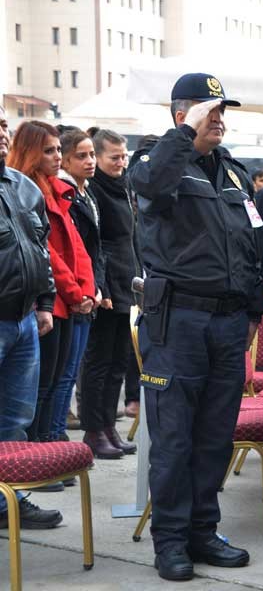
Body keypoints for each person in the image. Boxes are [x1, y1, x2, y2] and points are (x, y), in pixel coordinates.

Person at [128, 73, 263, 581]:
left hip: (227, 322)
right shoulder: (154, 160)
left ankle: (203, 531)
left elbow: (250, 244)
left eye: (223, 112)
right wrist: (185, 134)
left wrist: (252, 310)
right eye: (210, 111)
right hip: (177, 321)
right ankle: (170, 541)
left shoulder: (232, 172)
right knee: (175, 439)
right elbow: (149, 185)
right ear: (181, 114)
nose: (220, 121)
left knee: (214, 437)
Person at [8, 121, 96, 444]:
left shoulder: (58, 192)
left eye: (59, 149)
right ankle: (40, 447)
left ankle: (48, 443)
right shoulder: (26, 192)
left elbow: (77, 247)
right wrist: (76, 292)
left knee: (59, 378)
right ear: (30, 152)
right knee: (41, 386)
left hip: (65, 300)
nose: (57, 156)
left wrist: (86, 289)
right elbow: (46, 252)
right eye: (49, 150)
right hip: (49, 300)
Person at [0, 105, 63, 528]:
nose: (2, 134)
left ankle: (9, 501)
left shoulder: (22, 187)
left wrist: (44, 303)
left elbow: (39, 249)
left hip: (23, 320)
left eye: (2, 126)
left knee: (15, 419)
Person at [79, 128, 140, 459]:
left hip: (127, 279)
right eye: (113, 157)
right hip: (106, 284)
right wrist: (99, 285)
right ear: (99, 158)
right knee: (99, 361)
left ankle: (107, 426)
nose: (120, 162)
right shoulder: (95, 192)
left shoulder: (124, 185)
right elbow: (97, 245)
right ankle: (93, 429)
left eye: (123, 156)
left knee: (120, 360)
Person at [53, 130, 104, 454]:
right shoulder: (64, 193)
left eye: (91, 155)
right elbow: (60, 253)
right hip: (67, 298)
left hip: (86, 293)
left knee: (69, 373)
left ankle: (57, 438)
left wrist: (96, 288)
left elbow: (92, 251)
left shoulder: (85, 193)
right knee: (60, 378)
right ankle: (54, 437)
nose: (89, 161)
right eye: (81, 156)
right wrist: (79, 293)